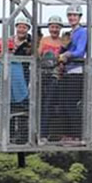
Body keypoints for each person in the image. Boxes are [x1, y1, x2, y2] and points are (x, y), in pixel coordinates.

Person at [0, 15, 31, 144]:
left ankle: (8, 138)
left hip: (11, 98)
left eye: (24, 27)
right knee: (21, 116)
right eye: (19, 26)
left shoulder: (1, 63)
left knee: (6, 113)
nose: (21, 29)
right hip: (24, 96)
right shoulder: (18, 61)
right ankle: (21, 138)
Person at [58, 4, 87, 143]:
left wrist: (68, 54)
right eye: (70, 15)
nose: (72, 18)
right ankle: (68, 133)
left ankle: (77, 135)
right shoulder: (70, 33)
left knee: (71, 104)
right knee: (64, 104)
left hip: (77, 72)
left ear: (79, 17)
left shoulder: (82, 32)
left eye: (75, 15)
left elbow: (81, 51)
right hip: (68, 71)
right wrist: (63, 48)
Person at [38, 14, 64, 143]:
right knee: (40, 103)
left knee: (49, 105)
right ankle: (39, 132)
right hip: (42, 75)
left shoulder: (62, 41)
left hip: (55, 76)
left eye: (57, 27)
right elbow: (38, 54)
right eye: (52, 27)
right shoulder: (44, 40)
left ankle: (44, 134)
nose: (54, 29)